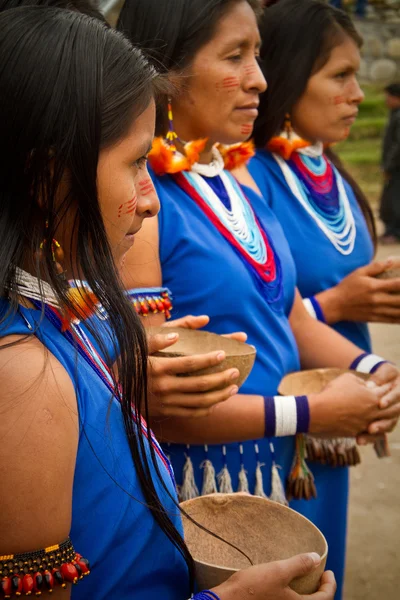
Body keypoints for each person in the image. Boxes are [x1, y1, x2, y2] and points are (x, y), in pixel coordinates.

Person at [0, 7, 342, 600]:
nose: (150, 200)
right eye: (136, 163)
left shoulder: (67, 315)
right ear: (46, 177)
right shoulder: (23, 377)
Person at [117, 1, 400, 598]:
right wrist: (311, 413)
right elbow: (157, 400)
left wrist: (374, 371)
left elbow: (290, 312)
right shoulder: (144, 205)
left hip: (282, 468)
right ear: (165, 70)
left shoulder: (234, 174)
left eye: (259, 55)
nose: (260, 80)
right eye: (235, 56)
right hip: (222, 493)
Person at [246, 1, 400, 596]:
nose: (358, 93)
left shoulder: (328, 170)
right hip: (288, 422)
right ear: (287, 76)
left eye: (357, 75)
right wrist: (337, 304)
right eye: (339, 75)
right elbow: (249, 316)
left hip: (339, 418)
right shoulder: (251, 179)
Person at [379, 82, 400, 244]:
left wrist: (389, 165)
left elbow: (398, 146)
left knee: (393, 200)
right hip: (394, 166)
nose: (387, 100)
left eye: (389, 96)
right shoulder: (394, 114)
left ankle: (394, 232)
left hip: (397, 167)